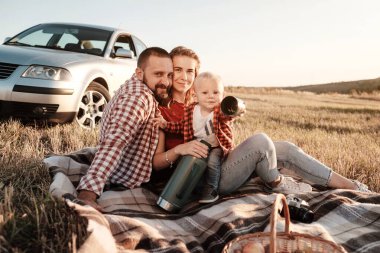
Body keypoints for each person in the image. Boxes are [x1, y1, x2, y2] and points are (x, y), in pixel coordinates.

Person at [152, 46, 371, 197]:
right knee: (260, 142)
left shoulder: (201, 102)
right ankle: (278, 184)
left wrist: (228, 118)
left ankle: (351, 186)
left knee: (283, 148)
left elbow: (222, 125)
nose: (184, 76)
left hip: (221, 162)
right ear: (170, 72)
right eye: (178, 70)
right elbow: (157, 162)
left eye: (190, 71)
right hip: (200, 179)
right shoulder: (163, 110)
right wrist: (183, 147)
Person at [76, 47, 173, 210]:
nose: (166, 81)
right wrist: (88, 194)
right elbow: (114, 143)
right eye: (158, 74)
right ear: (140, 73)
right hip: (128, 178)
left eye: (169, 75)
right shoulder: (138, 99)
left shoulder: (137, 86)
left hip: (128, 170)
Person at [158, 72, 238, 203]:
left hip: (216, 146)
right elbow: (181, 127)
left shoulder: (218, 111)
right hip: (198, 144)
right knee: (189, 162)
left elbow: (227, 116)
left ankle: (211, 190)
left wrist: (233, 110)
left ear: (222, 95)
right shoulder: (191, 111)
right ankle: (189, 188)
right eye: (205, 93)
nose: (211, 96)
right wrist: (166, 125)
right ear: (196, 95)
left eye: (216, 92)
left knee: (212, 161)